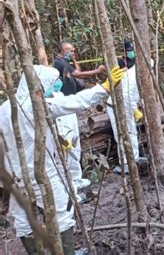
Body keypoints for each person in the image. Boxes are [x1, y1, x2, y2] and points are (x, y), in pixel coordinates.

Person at [0, 65, 124, 254]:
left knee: (23, 218)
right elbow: (75, 102)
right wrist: (104, 88)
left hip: (13, 176)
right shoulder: (37, 106)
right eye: (48, 85)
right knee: (62, 213)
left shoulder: (5, 108)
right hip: (41, 173)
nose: (50, 89)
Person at [50, 82, 91, 199]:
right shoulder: (45, 101)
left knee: (74, 157)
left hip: (71, 132)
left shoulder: (59, 95)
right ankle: (71, 194)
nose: (57, 82)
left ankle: (77, 180)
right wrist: (61, 138)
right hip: (61, 137)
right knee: (64, 164)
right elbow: (56, 122)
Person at [107, 63, 147, 174]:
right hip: (118, 105)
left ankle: (135, 157)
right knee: (122, 133)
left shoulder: (139, 74)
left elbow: (138, 94)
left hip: (127, 105)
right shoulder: (133, 76)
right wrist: (135, 110)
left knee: (132, 131)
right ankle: (125, 163)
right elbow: (127, 94)